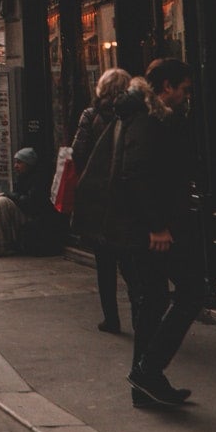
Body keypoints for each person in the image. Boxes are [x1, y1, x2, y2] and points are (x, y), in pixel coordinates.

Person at [113, 57, 204, 409]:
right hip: (154, 230)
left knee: (152, 301)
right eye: (183, 89)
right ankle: (148, 370)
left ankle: (146, 381)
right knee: (191, 291)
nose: (186, 96)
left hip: (152, 227)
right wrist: (157, 226)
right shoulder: (147, 120)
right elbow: (135, 175)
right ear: (166, 87)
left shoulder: (148, 116)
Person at [69, 67, 133, 332]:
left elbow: (77, 152)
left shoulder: (90, 115)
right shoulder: (134, 115)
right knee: (130, 262)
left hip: (98, 196)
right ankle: (141, 312)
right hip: (126, 195)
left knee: (104, 262)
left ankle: (112, 318)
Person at [0, 147, 63, 258]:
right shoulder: (22, 177)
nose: (16, 166)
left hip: (33, 216)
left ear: (29, 164)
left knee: (2, 202)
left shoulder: (39, 179)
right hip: (23, 211)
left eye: (19, 163)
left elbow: (31, 204)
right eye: (15, 162)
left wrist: (10, 196)